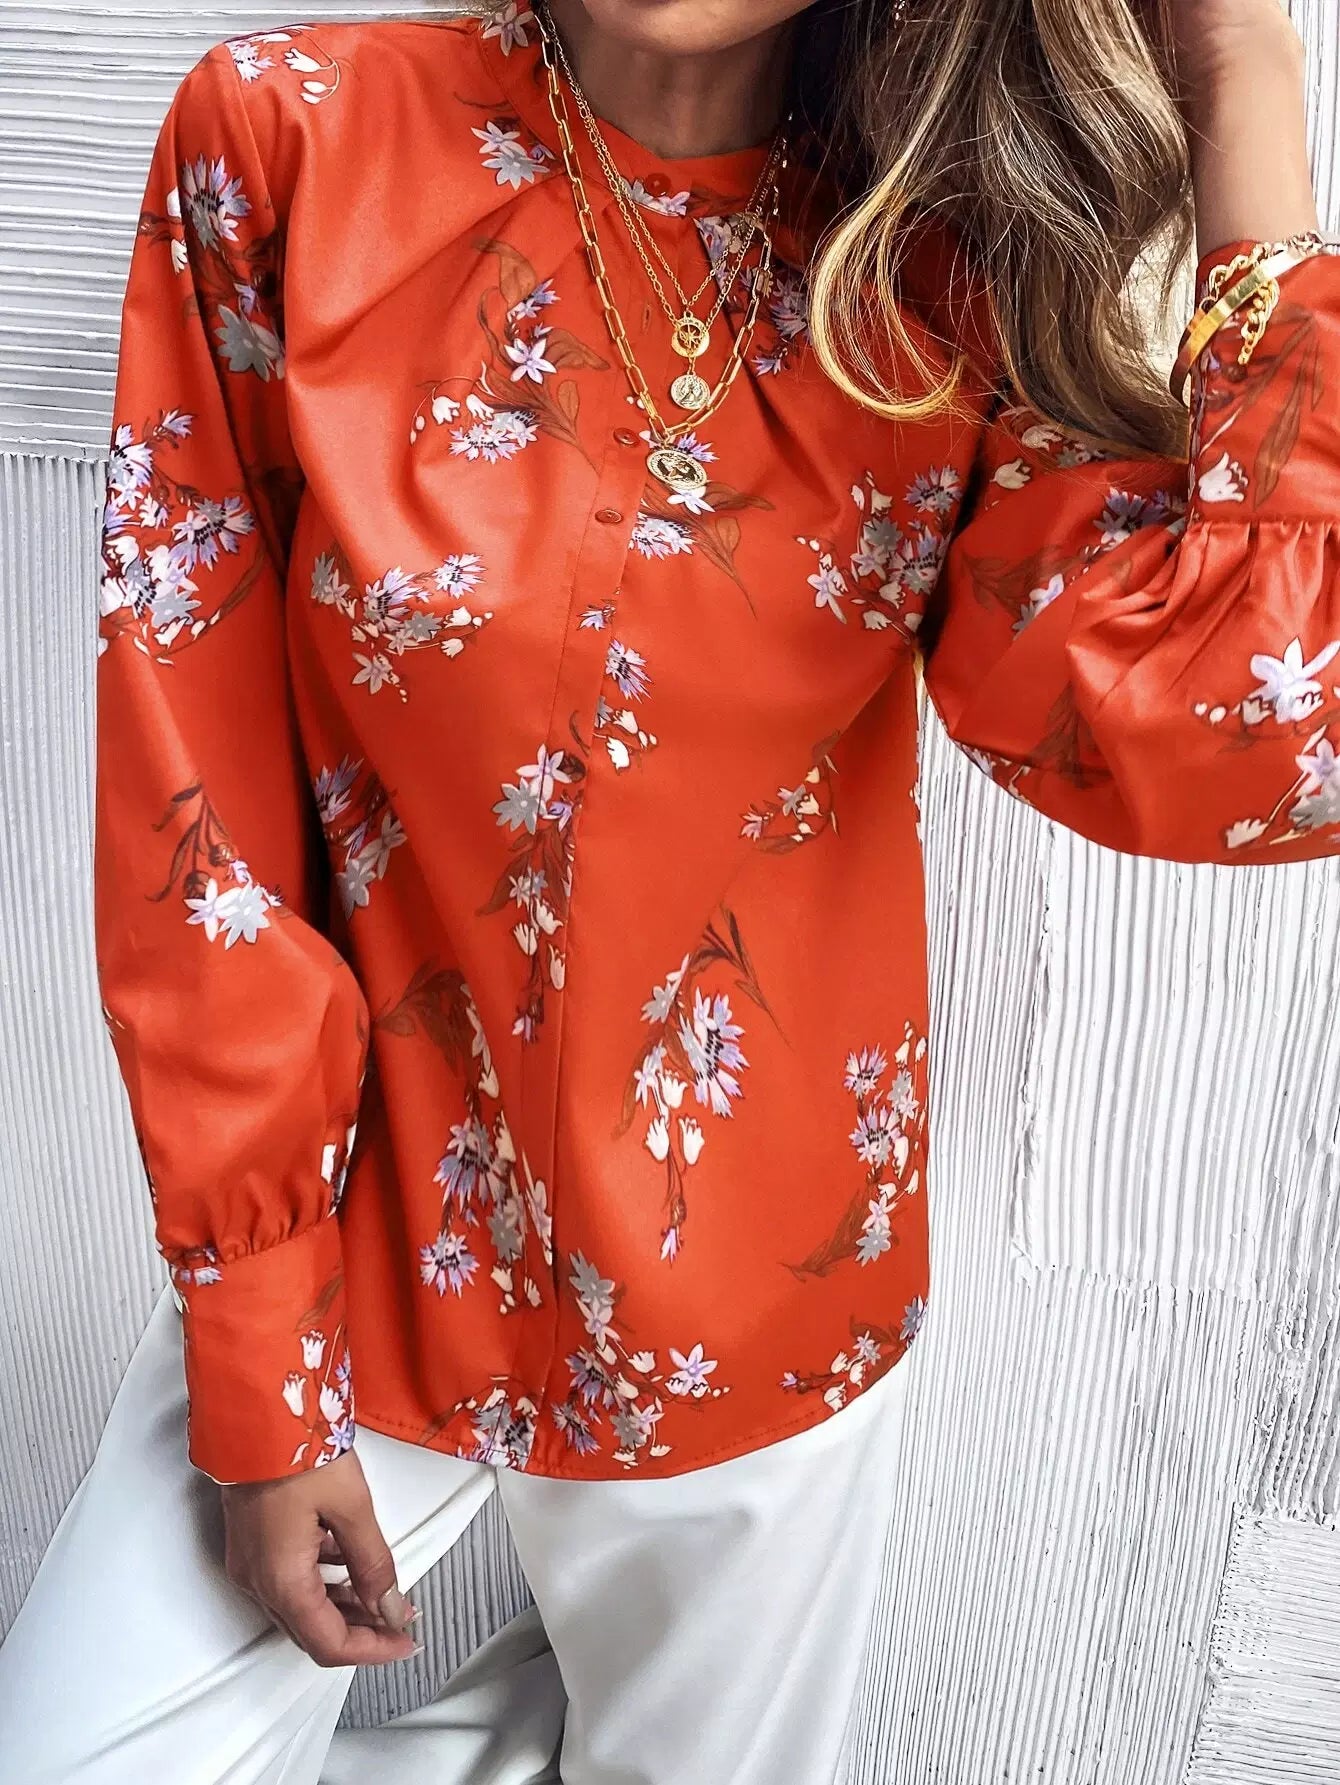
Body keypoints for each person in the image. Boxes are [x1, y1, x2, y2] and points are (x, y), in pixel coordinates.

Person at [1, 0, 1336, 1780]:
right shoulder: (296, 140)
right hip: (358, 1254)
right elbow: (199, 802)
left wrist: (1243, 69)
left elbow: (1271, 730)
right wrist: (256, 1355)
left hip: (757, 1307)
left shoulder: (942, 272)